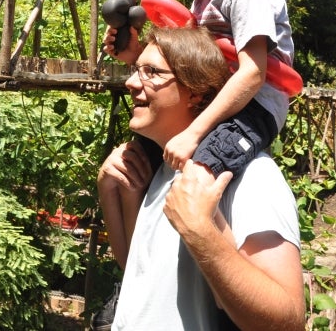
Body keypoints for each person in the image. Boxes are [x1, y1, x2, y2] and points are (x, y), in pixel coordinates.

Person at [96, 26, 304, 330]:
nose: (130, 82)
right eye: (135, 70)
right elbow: (141, 279)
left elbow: (287, 322)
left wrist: (200, 231)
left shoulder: (251, 178)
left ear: (195, 92)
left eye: (150, 71)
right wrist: (114, 191)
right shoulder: (164, 169)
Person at [104, 0, 294, 177]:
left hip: (255, 106)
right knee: (127, 173)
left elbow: (253, 73)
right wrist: (136, 56)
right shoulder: (203, 0)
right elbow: (196, 62)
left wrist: (193, 133)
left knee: (199, 168)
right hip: (214, 100)